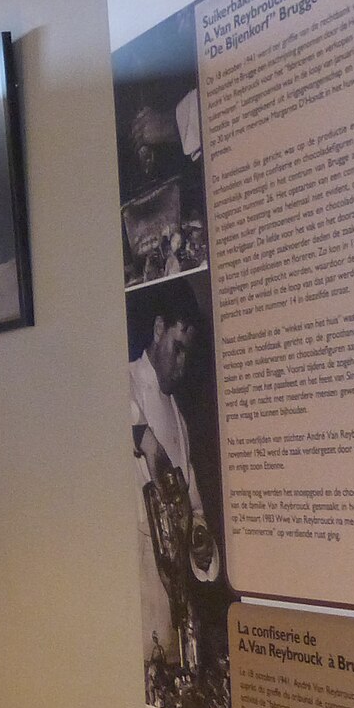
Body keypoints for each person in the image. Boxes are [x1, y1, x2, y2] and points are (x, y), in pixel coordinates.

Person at [128, 282, 220, 684]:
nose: (181, 366)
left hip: (174, 602)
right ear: (158, 329)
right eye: (176, 349)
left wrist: (201, 540)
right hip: (133, 593)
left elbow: (194, 505)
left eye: (188, 355)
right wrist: (147, 442)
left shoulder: (180, 419)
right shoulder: (125, 381)